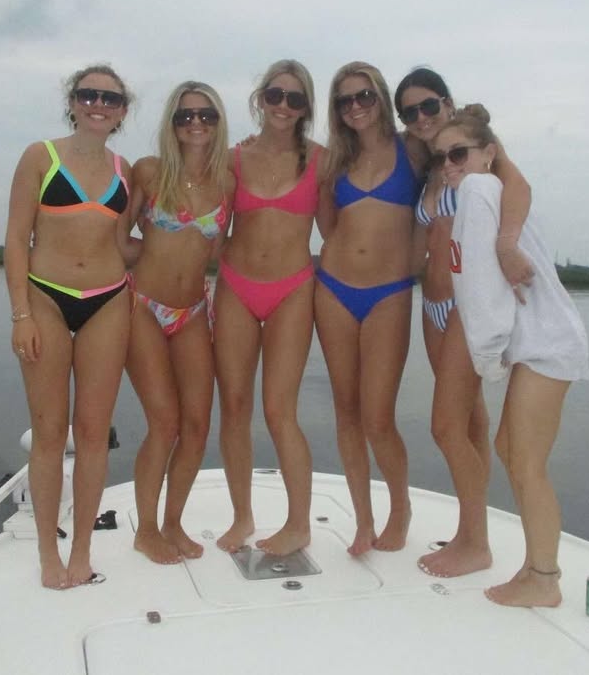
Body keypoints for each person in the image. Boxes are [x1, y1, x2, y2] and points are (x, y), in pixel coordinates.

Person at [437, 104, 589, 607]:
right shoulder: (492, 193)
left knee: (526, 463)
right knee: (509, 449)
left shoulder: (480, 191)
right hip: (539, 341)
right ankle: (534, 568)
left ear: (488, 153)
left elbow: (481, 293)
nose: (449, 166)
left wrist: (487, 360)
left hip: (547, 343)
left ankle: (544, 578)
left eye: (458, 154)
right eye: (441, 158)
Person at [395, 67, 532, 577]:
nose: (421, 117)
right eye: (410, 111)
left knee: (445, 425)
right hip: (431, 306)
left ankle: (477, 542)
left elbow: (519, 187)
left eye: (429, 105)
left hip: (463, 306)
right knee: (470, 420)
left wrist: (508, 243)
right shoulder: (434, 165)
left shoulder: (474, 153)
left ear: (447, 103)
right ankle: (471, 532)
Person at [4, 64, 134, 589]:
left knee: (94, 435)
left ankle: (82, 549)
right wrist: (21, 314)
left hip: (110, 300)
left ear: (122, 112)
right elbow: (16, 239)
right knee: (50, 434)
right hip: (45, 299)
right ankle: (47, 551)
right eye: (88, 94)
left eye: (110, 98)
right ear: (73, 102)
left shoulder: (126, 170)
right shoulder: (41, 156)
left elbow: (127, 243)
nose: (98, 104)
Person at [214, 59, 327, 556]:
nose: (283, 106)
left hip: (293, 290)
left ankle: (299, 524)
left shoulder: (321, 161)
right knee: (234, 407)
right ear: (260, 98)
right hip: (236, 287)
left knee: (281, 411)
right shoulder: (230, 159)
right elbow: (211, 229)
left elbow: (338, 230)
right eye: (275, 95)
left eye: (295, 99)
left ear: (306, 108)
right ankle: (242, 517)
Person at [121, 81, 234, 564]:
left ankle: (173, 523)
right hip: (143, 305)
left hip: (193, 312)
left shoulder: (227, 181)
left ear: (219, 121)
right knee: (164, 422)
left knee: (198, 425)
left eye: (206, 115)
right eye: (185, 115)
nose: (196, 123)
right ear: (171, 123)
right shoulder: (149, 171)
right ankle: (146, 530)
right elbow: (115, 239)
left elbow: (218, 250)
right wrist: (148, 257)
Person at [314, 61, 420, 556]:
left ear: (381, 97)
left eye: (364, 96)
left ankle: (400, 508)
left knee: (378, 417)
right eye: (344, 101)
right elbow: (328, 227)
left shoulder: (413, 149)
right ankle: (363, 519)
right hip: (334, 289)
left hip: (389, 293)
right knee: (346, 412)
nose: (355, 106)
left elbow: (471, 145)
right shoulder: (335, 160)